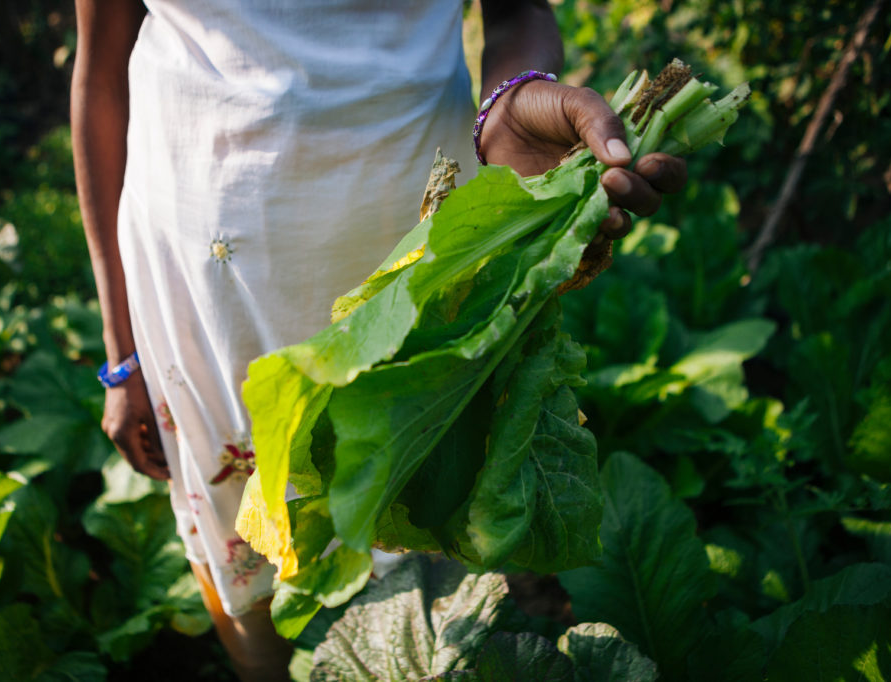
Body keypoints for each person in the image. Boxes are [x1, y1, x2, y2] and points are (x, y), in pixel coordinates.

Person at [71, 0, 686, 679]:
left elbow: (517, 14)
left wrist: (509, 102)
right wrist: (120, 351)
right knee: (245, 539)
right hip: (201, 280)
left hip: (419, 237)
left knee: (423, 546)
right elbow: (101, 71)